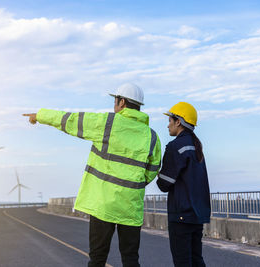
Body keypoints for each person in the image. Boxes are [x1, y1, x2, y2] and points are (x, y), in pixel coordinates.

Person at [23, 83, 161, 267]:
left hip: (102, 205)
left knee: (97, 258)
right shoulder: (152, 136)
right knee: (130, 259)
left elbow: (70, 120)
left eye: (115, 101)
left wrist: (40, 115)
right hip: (130, 207)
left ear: (122, 102)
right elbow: (152, 170)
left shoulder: (107, 123)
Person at [156, 102, 211, 267]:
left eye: (170, 120)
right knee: (196, 259)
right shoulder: (196, 146)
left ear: (178, 121)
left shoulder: (175, 147)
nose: (168, 125)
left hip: (181, 216)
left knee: (182, 262)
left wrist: (157, 171)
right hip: (197, 215)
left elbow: (164, 184)